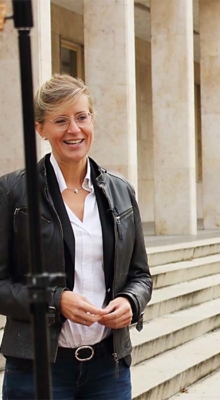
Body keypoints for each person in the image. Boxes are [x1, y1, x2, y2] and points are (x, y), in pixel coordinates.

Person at [0, 74, 153, 399]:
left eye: (81, 117)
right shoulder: (13, 192)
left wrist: (131, 301)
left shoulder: (121, 191)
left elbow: (141, 275)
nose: (74, 129)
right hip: (36, 371)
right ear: (40, 128)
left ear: (92, 120)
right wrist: (55, 300)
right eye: (60, 120)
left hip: (108, 370)